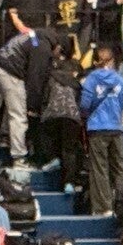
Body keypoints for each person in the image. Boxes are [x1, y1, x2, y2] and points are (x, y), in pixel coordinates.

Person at [0, 26, 57, 170]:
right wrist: (33, 106)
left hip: (0, 68)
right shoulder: (42, 46)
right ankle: (19, 158)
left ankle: (4, 138)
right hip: (11, 73)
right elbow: (35, 78)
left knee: (12, 109)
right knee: (19, 116)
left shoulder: (33, 36)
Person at [82, 44, 123, 218]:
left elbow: (85, 104)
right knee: (119, 169)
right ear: (112, 60)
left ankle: (104, 208)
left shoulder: (91, 79)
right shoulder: (120, 79)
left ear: (95, 61)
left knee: (99, 169)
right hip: (116, 127)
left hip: (97, 128)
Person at [40, 34, 84, 189]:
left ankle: (53, 159)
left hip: (53, 111)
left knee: (48, 135)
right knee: (69, 149)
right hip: (72, 113)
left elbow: (45, 93)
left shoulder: (52, 67)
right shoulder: (77, 67)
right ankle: (69, 183)